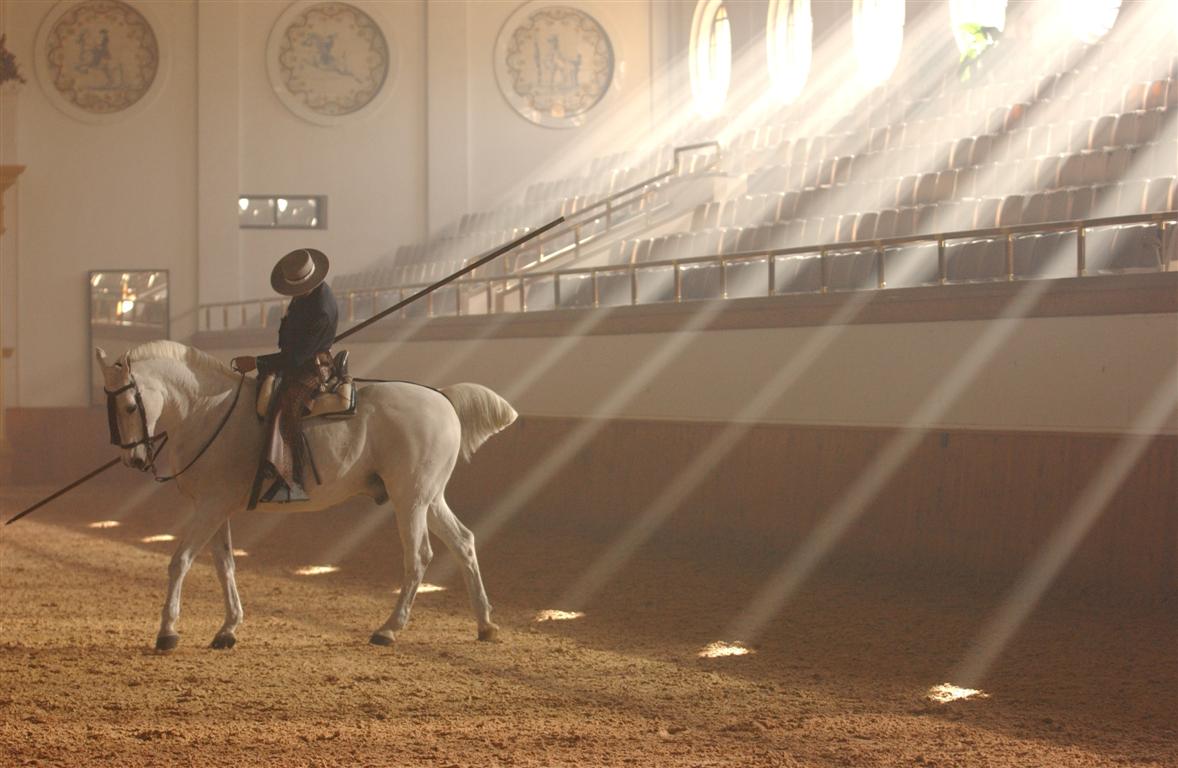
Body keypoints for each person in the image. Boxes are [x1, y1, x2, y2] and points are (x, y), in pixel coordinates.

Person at [233, 248, 338, 507]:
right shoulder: (303, 297)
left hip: (311, 368)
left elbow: (296, 357)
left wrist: (258, 361)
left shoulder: (322, 309)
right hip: (296, 361)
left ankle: (292, 478)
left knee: (287, 404)